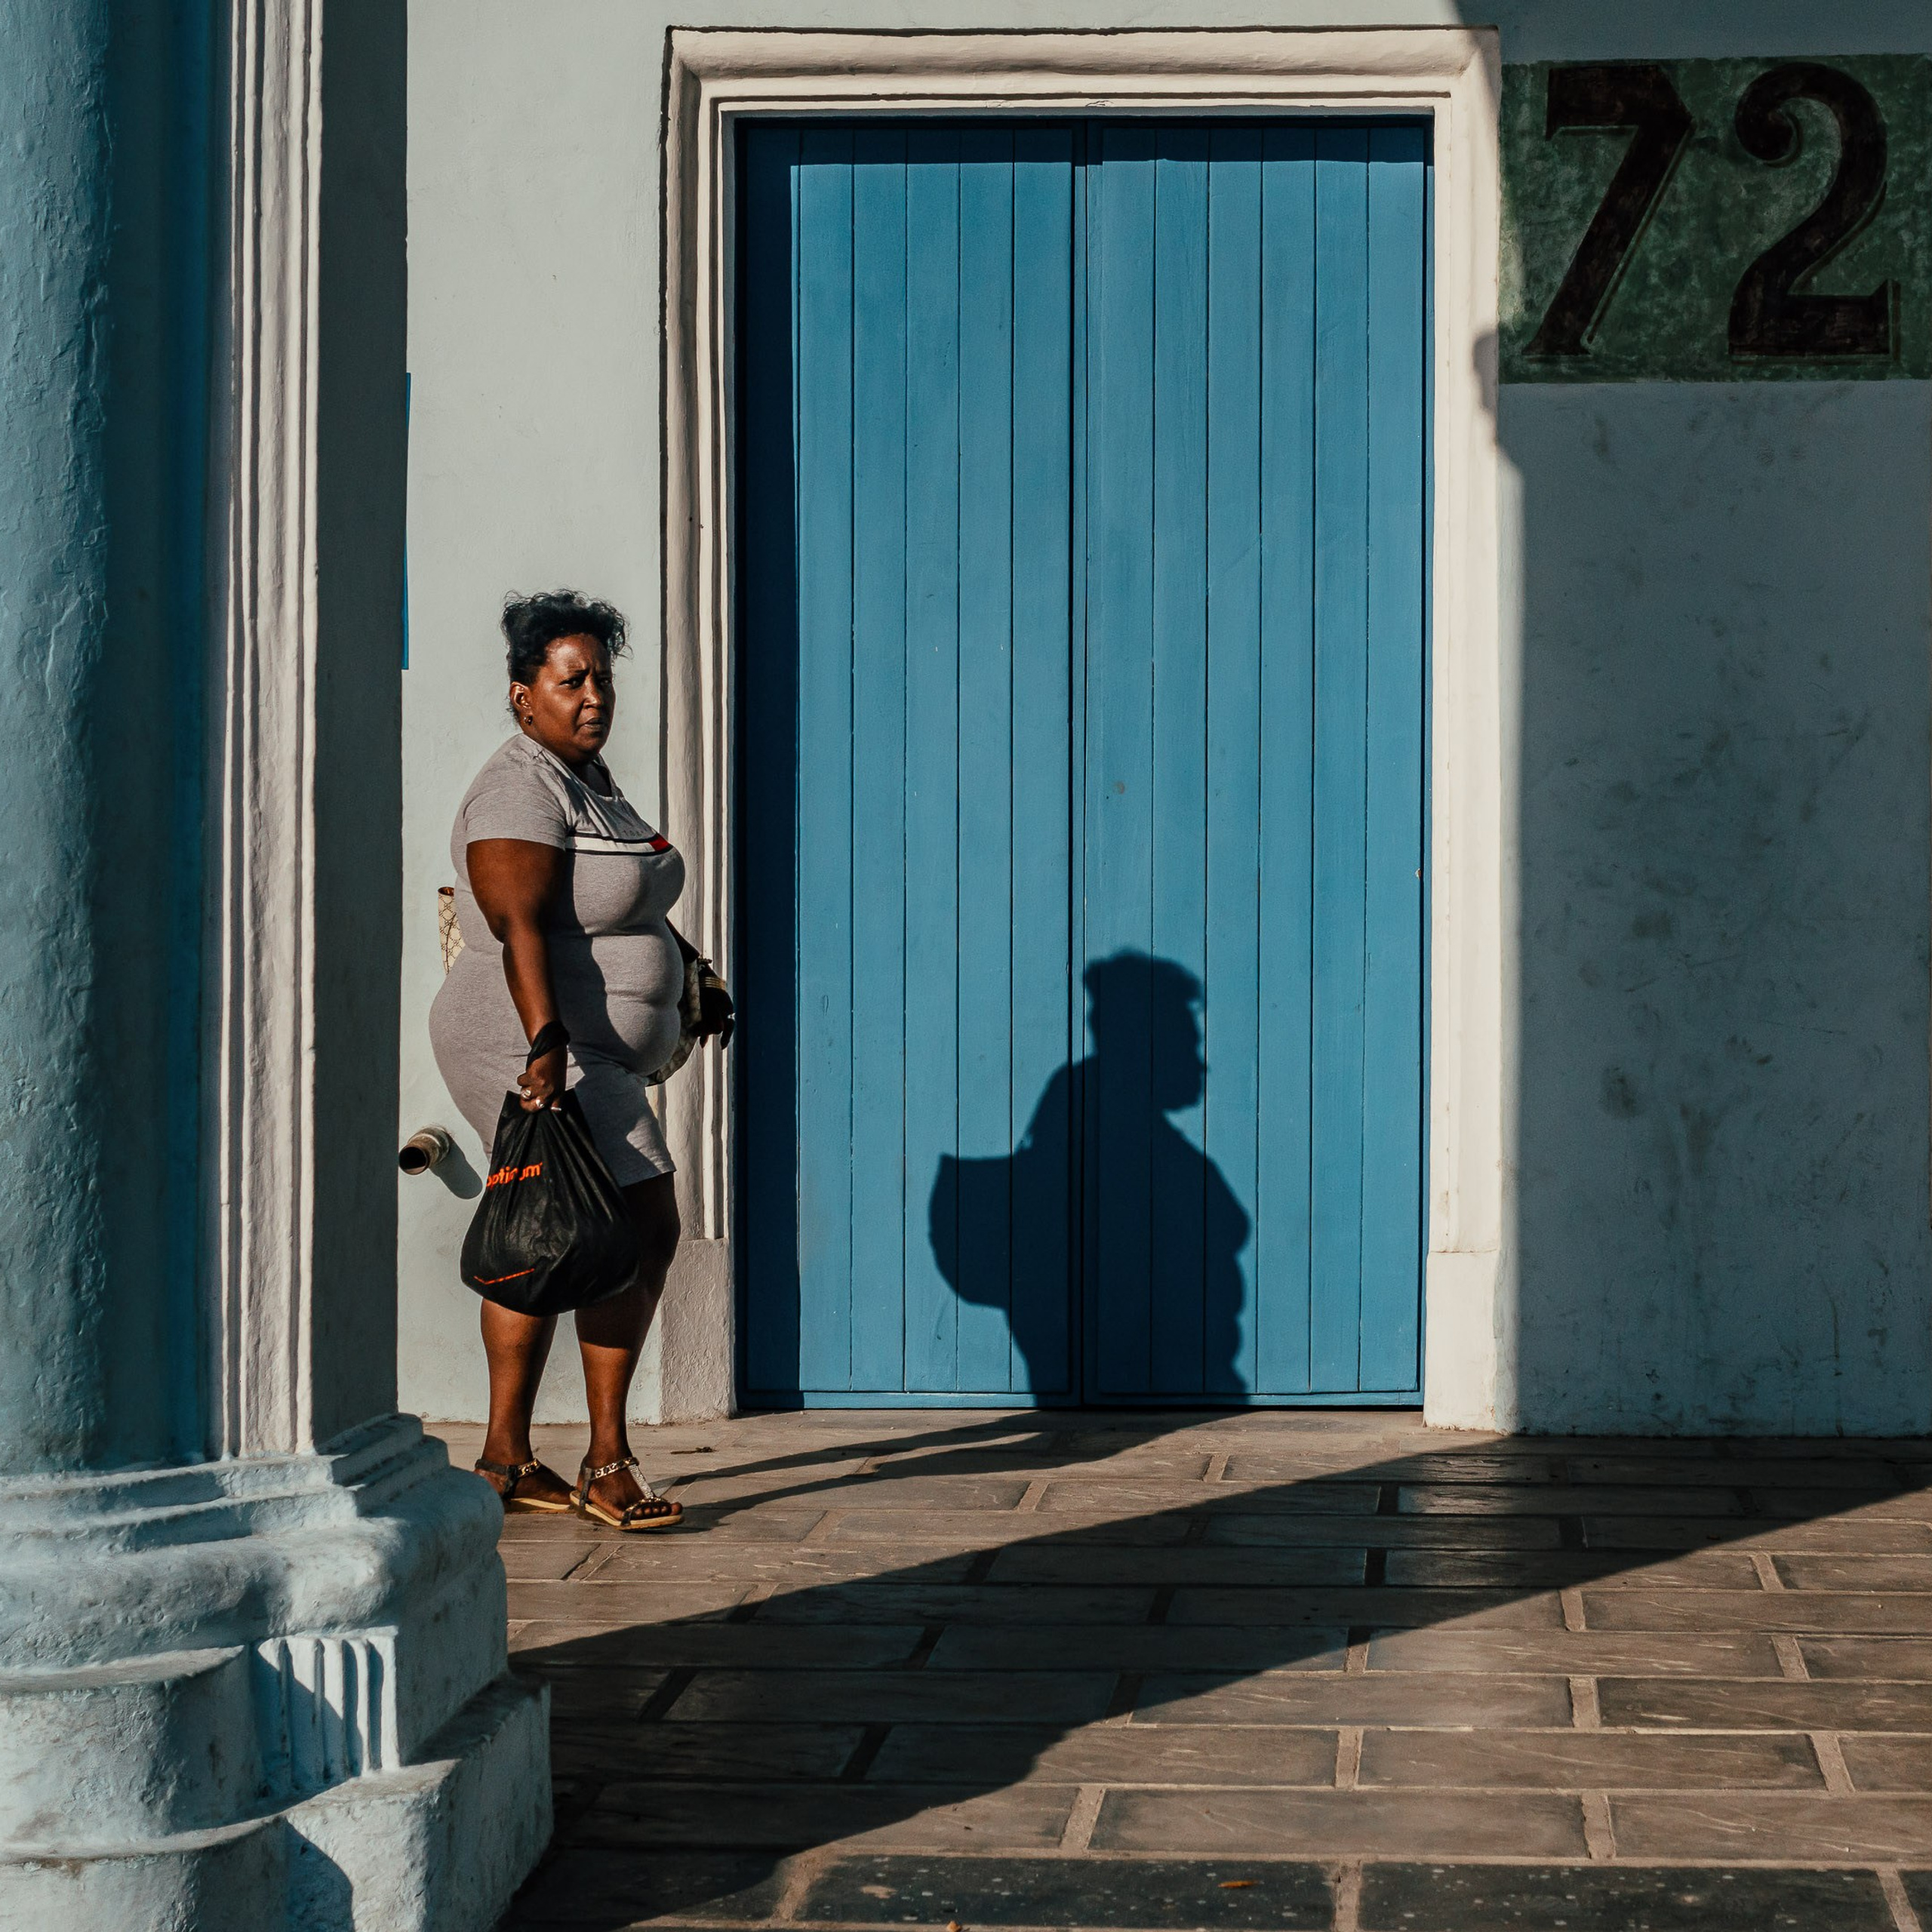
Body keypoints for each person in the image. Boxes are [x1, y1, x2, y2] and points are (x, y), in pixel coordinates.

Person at [430, 590, 721, 1531]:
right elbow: (519, 924)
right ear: (524, 696)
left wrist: (689, 974)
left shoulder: (589, 777)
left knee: (550, 1226)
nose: (594, 694)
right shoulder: (519, 785)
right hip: (528, 1037)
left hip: (585, 1044)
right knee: (638, 1220)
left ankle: (508, 1460)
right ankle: (606, 1460)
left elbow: (619, 905)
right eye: (571, 680)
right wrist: (548, 1044)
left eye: (601, 676)